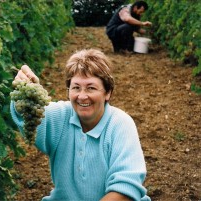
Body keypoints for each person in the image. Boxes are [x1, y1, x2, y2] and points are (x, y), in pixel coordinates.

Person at [10, 49, 151, 201]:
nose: (82, 96)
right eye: (76, 87)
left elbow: (125, 189)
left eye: (91, 88)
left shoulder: (120, 125)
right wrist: (26, 92)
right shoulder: (60, 116)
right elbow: (27, 116)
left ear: (107, 93)